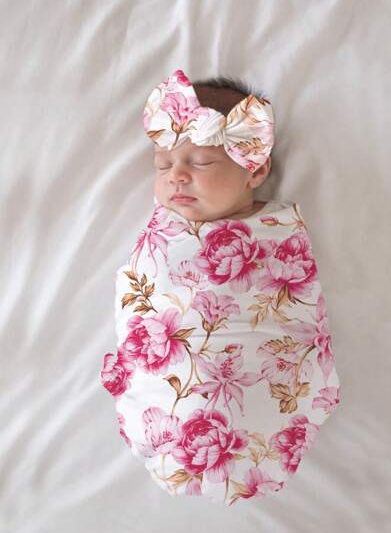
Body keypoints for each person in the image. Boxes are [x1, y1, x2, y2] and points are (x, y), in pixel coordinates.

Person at [100, 69, 341, 506]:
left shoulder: (278, 233)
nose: (176, 176)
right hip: (169, 401)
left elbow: (297, 312)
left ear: (255, 169)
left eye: (200, 162)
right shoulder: (165, 229)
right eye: (163, 164)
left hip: (263, 387)